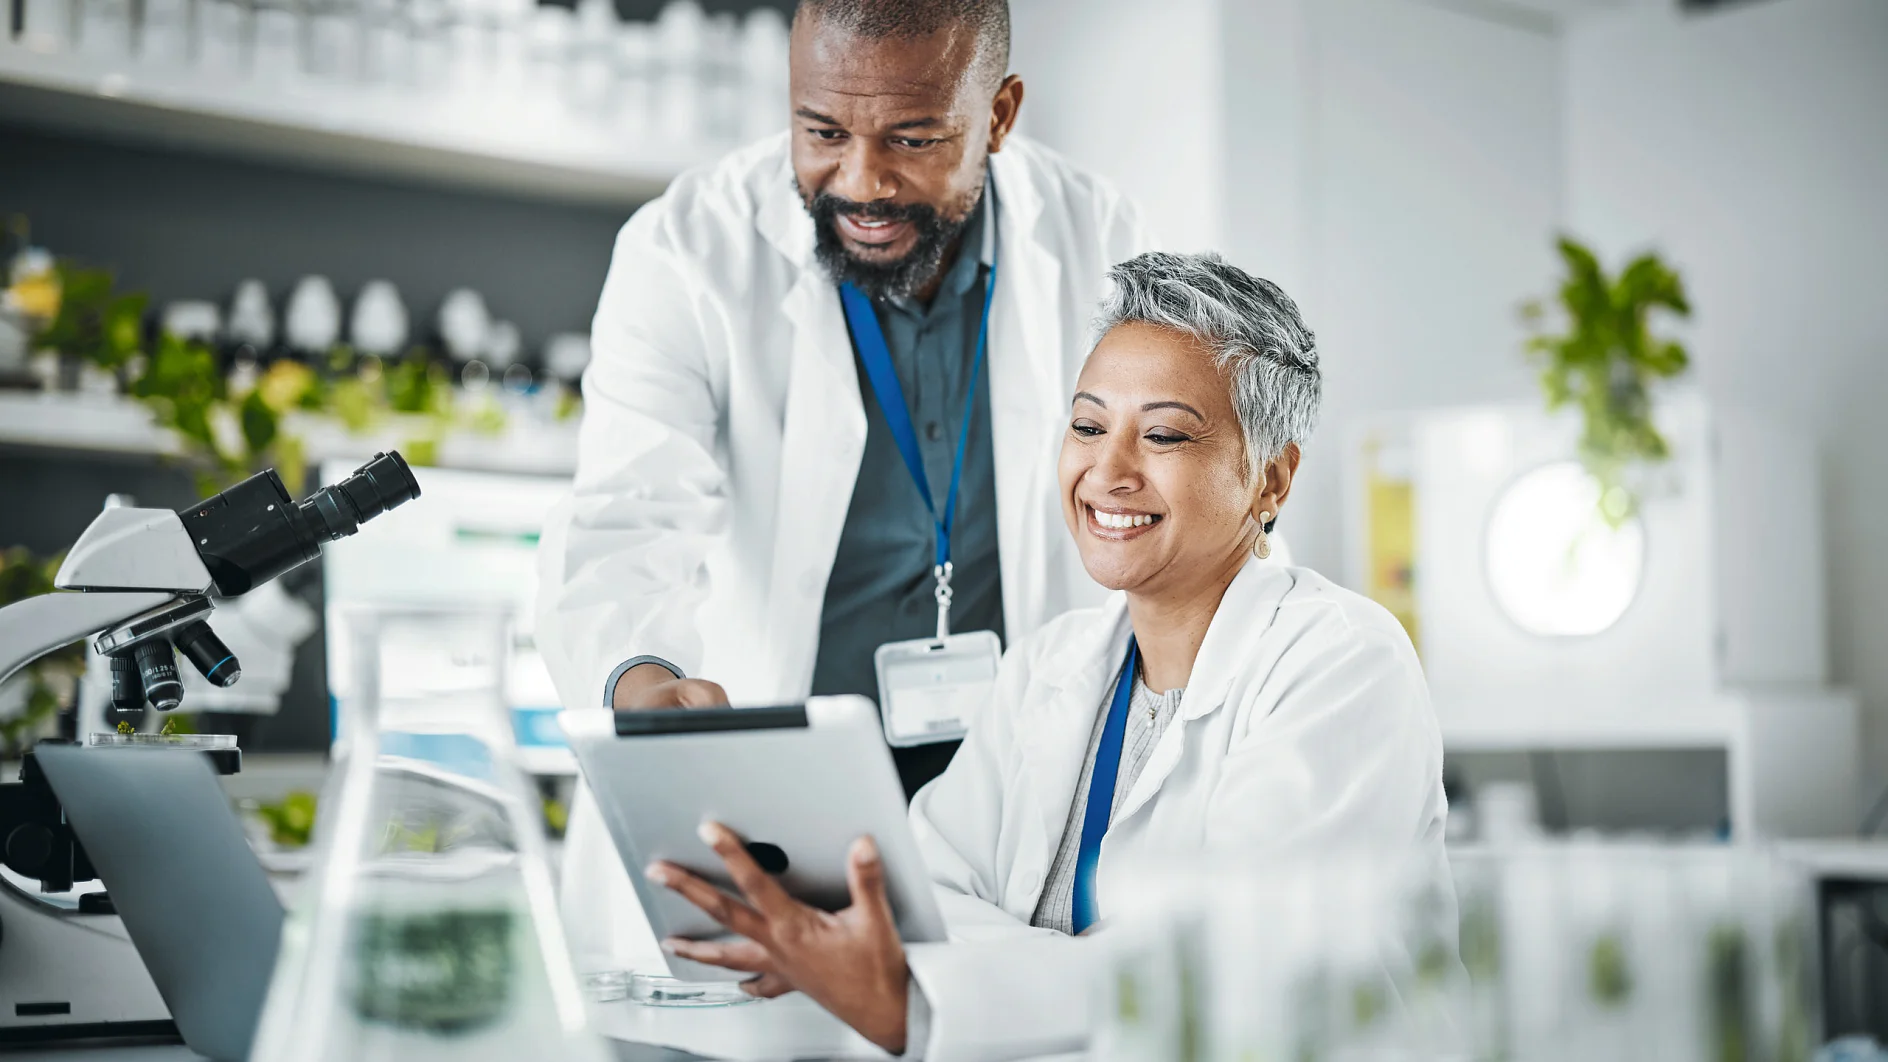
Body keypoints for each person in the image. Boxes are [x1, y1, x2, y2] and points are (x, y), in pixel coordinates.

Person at [648, 252, 1450, 1061]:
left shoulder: (1342, 663)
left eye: (1164, 434)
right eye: (1087, 425)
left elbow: (1229, 973)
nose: (1107, 471)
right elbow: (927, 901)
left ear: (1270, 480)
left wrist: (937, 997)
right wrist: (1019, 978)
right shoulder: (1048, 667)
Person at [537, 0, 1155, 970]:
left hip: (1003, 837)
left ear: (998, 116)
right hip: (771, 819)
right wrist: (642, 684)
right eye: (821, 132)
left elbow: (1170, 508)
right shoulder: (685, 250)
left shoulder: (1098, 238)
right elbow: (624, 522)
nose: (860, 181)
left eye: (911, 138)